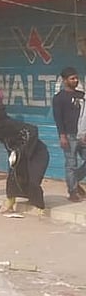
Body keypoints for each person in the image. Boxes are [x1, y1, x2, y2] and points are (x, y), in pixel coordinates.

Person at [0, 104, 49, 215]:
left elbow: (33, 130)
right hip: (19, 156)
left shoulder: (11, 125)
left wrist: (24, 149)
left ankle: (40, 207)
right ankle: (10, 202)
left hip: (36, 153)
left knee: (33, 180)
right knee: (15, 178)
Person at [52, 67, 85, 202]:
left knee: (74, 167)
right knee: (71, 164)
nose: (75, 80)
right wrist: (62, 135)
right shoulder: (59, 98)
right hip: (69, 136)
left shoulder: (82, 95)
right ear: (65, 80)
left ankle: (74, 180)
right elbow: (58, 118)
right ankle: (72, 192)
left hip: (82, 135)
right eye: (72, 78)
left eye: (76, 78)